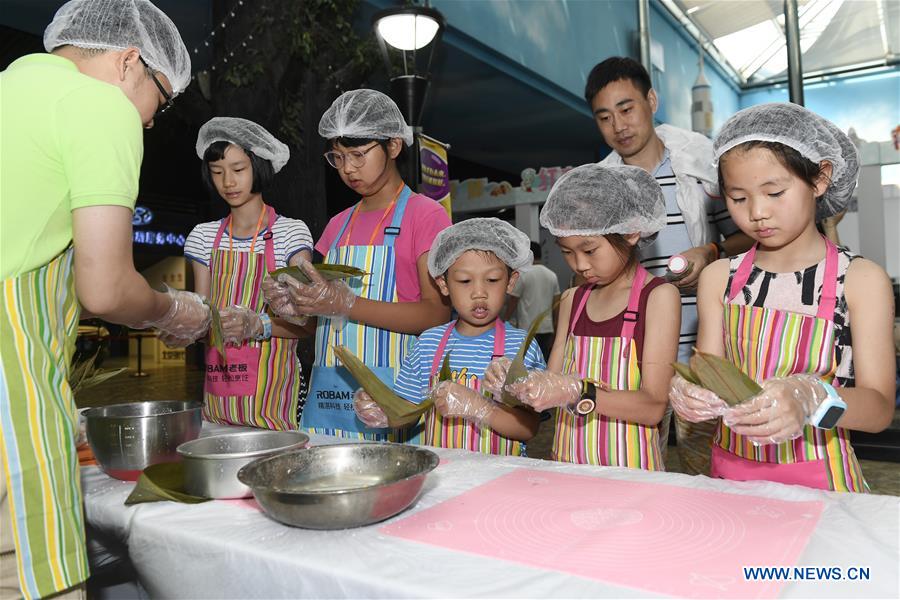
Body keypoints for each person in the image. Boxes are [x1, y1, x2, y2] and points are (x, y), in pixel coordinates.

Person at [0, 1, 205, 598]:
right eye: (159, 102)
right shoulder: (98, 107)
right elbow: (107, 287)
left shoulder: (12, 86)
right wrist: (174, 311)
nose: (147, 123)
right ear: (129, 62)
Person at [669, 103, 895, 492]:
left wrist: (811, 398)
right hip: (731, 472)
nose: (757, 213)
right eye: (738, 198)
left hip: (819, 475)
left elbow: (878, 411)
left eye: (774, 192)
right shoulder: (719, 279)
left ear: (820, 179)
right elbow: (710, 373)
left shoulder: (859, 281)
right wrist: (690, 393)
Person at [586, 56, 753, 473]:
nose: (619, 126)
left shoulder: (699, 168)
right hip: (634, 358)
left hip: (704, 349)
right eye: (604, 117)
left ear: (652, 100)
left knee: (712, 469)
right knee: (637, 469)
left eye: (627, 109)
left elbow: (751, 234)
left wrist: (710, 253)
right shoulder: (602, 188)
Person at [263, 89, 451, 441]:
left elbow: (436, 315)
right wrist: (291, 308)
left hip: (394, 396)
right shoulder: (337, 225)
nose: (348, 168)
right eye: (337, 157)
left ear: (394, 146)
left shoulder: (425, 216)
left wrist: (347, 304)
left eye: (358, 155)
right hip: (330, 399)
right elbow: (314, 326)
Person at [486, 164, 681, 469]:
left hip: (630, 471)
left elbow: (653, 407)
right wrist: (516, 385)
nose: (579, 264)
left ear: (630, 232)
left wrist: (578, 391)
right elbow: (550, 385)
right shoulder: (572, 300)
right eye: (567, 252)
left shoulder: (657, 297)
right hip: (568, 463)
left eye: (589, 250)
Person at [353, 218, 545, 455]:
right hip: (444, 476)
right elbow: (407, 416)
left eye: (492, 280)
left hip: (501, 477)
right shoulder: (428, 344)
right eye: (464, 281)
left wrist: (483, 408)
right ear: (443, 285)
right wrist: (382, 412)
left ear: (511, 281)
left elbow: (529, 428)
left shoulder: (521, 346)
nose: (479, 293)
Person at [182, 117, 314, 430]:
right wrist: (181, 322)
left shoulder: (289, 233)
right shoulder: (202, 237)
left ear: (260, 167)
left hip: (274, 404)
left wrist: (258, 324)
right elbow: (202, 316)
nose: (228, 182)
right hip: (218, 399)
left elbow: (306, 324)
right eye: (217, 172)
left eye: (238, 170)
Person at [504, 241, 561, 358]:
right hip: (547, 329)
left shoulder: (524, 275)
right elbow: (557, 304)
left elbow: (513, 300)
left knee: (526, 364)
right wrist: (556, 328)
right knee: (543, 363)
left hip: (527, 329)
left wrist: (505, 320)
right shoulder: (551, 275)